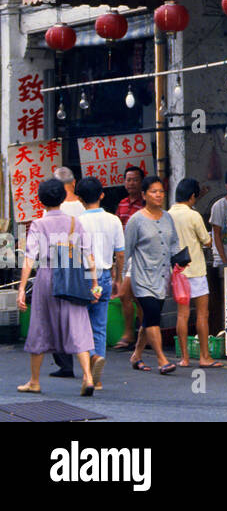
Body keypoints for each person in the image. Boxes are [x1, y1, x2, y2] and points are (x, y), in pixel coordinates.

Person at [15, 179, 97, 396]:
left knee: (40, 325)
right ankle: (88, 376)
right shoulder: (74, 222)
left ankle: (34, 381)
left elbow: (29, 258)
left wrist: (22, 288)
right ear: (62, 198)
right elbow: (88, 255)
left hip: (47, 276)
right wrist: (95, 284)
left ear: (41, 200)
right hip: (72, 276)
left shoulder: (38, 225)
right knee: (77, 322)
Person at [124, 175, 181, 374]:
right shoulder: (136, 220)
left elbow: (174, 243)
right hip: (141, 276)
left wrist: (180, 261)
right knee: (152, 316)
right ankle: (161, 359)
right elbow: (126, 250)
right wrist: (121, 278)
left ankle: (136, 356)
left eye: (161, 191)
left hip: (162, 276)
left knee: (150, 318)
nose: (158, 195)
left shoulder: (167, 217)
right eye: (153, 191)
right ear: (144, 195)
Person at [75, 177, 122, 389]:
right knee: (99, 326)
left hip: (84, 277)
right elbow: (120, 254)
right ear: (102, 195)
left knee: (79, 324)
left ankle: (92, 359)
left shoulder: (77, 222)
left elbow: (74, 255)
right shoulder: (114, 220)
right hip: (105, 274)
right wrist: (118, 278)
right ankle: (98, 377)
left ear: (79, 198)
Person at [169, 178, 221, 368]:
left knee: (182, 315)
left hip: (178, 272)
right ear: (192, 196)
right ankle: (204, 357)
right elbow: (207, 241)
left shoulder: (167, 215)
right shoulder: (193, 216)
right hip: (196, 270)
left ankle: (184, 358)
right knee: (202, 314)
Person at [49, 167, 84, 377]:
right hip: (82, 265)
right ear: (74, 182)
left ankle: (66, 363)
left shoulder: (53, 209)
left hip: (59, 266)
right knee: (80, 316)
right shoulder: (84, 207)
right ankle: (89, 361)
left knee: (59, 317)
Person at [111, 165, 147, 351]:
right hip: (125, 254)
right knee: (127, 295)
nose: (131, 183)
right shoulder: (122, 204)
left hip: (142, 255)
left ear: (141, 182)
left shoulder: (146, 203)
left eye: (135, 179)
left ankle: (137, 334)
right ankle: (135, 333)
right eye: (128, 179)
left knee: (135, 296)